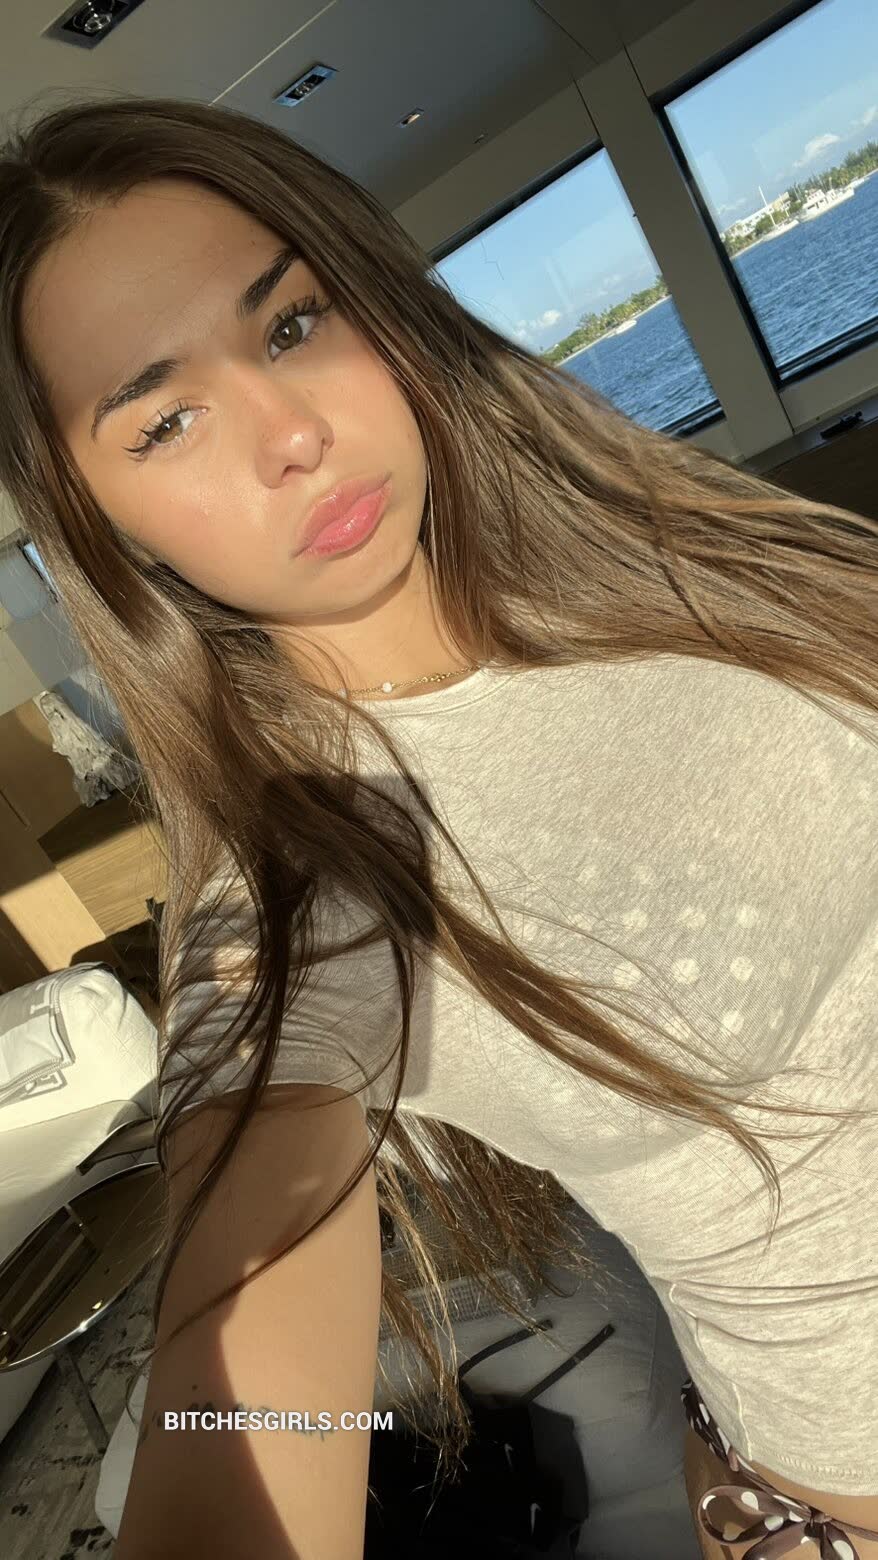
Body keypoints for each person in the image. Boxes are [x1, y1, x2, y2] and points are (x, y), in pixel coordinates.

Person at [1, 93, 876, 1560]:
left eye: (290, 325)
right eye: (164, 420)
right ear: (101, 527)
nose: (291, 433)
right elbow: (240, 1389)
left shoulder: (676, 556)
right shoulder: (318, 876)